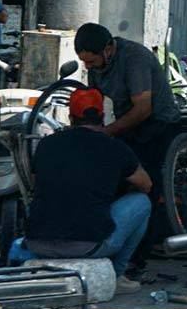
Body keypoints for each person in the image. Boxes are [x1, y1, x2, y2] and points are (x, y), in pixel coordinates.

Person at [21, 88, 152, 294]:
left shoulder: (46, 144)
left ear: (72, 118)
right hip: (87, 246)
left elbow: (36, 183)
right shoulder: (114, 147)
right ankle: (117, 276)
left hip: (37, 243)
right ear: (102, 116)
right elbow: (146, 185)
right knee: (142, 202)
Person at [74, 23, 181, 195]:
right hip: (127, 124)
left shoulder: (135, 59)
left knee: (147, 181)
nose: (87, 67)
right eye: (84, 62)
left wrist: (107, 131)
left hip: (159, 124)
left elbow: (143, 109)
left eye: (91, 61)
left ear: (107, 50)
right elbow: (95, 101)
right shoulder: (96, 66)